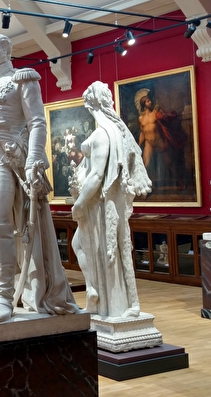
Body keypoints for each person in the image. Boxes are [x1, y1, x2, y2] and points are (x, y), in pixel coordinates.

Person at [0, 33, 79, 322]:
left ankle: (6, 296)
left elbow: (37, 122)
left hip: (4, 158)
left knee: (0, 225)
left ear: (7, 51)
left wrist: (33, 158)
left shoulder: (23, 79)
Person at [69, 81, 152, 318]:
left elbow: (96, 175)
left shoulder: (101, 135)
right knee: (111, 250)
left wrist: (79, 203)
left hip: (100, 205)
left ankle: (107, 302)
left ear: (91, 104)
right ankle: (109, 299)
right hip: (113, 203)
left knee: (100, 251)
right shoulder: (118, 131)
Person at [135, 88, 188, 188]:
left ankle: (179, 181)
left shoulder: (155, 113)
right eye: (147, 101)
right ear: (143, 104)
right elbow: (142, 133)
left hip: (158, 141)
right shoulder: (140, 119)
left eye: (149, 100)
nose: (150, 102)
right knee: (145, 165)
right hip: (149, 143)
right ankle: (144, 187)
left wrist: (164, 115)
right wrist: (138, 145)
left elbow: (165, 119)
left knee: (169, 162)